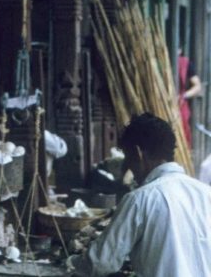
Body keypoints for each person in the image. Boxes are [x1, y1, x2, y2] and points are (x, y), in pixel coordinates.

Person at [66, 112, 211, 277]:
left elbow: (100, 263)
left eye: (127, 157)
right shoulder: (206, 193)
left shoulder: (140, 199)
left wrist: (71, 263)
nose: (128, 167)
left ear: (138, 153)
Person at [178, 47, 202, 148]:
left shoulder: (184, 63)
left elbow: (197, 86)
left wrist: (184, 95)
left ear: (180, 49)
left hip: (180, 105)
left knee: (182, 136)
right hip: (159, 103)